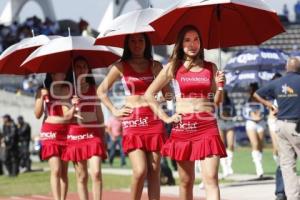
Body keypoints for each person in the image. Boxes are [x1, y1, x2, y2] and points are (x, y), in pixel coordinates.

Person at [145, 25, 227, 200]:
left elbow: (216, 101)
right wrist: (166, 117)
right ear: (180, 44)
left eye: (196, 39)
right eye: (187, 40)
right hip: (183, 128)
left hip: (207, 127)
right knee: (186, 181)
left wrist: (220, 86)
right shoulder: (173, 67)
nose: (192, 44)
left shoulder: (210, 67)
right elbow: (149, 94)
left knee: (211, 179)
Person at [97, 33, 171, 200]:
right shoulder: (120, 66)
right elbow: (101, 91)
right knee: (140, 171)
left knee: (154, 172)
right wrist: (114, 110)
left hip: (153, 120)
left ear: (146, 43)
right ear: (127, 44)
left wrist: (163, 95)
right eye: (133, 41)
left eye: (140, 40)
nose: (137, 45)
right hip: (133, 120)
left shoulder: (156, 66)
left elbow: (168, 95)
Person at [253, 57, 300, 200]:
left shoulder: (277, 83)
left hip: (281, 126)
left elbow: (256, 94)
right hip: (297, 126)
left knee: (287, 166)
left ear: (287, 68)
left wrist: (270, 105)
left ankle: (293, 197)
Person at [62, 56, 107, 200]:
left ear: (88, 70)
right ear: (73, 69)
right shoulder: (66, 90)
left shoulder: (95, 89)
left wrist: (103, 137)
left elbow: (100, 116)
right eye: (78, 66)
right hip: (75, 135)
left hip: (93, 135)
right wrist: (73, 105)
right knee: (82, 176)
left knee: (96, 173)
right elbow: (65, 117)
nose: (81, 69)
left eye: (84, 66)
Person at [35, 73, 73, 200]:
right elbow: (37, 114)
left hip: (65, 132)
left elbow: (67, 115)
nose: (62, 73)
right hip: (49, 133)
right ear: (51, 73)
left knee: (63, 172)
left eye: (63, 71)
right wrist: (41, 97)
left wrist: (72, 103)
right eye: (58, 71)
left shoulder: (67, 89)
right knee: (56, 170)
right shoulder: (42, 90)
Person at [267, 73, 286, 200]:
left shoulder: (288, 92)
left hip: (288, 125)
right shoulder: (272, 96)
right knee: (281, 157)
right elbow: (272, 115)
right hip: (277, 125)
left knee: (284, 160)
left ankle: (282, 191)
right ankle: (280, 192)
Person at [244, 83, 265, 178]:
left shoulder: (261, 99)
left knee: (260, 145)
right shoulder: (247, 101)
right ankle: (258, 169)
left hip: (261, 123)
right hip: (251, 123)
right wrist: (253, 117)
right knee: (255, 144)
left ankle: (260, 166)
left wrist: (260, 116)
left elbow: (265, 111)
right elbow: (244, 113)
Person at [218, 89, 235, 178]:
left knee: (231, 144)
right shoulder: (217, 101)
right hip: (220, 123)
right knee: (222, 146)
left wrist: (228, 114)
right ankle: (224, 168)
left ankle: (229, 165)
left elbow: (234, 113)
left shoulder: (230, 102)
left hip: (229, 123)